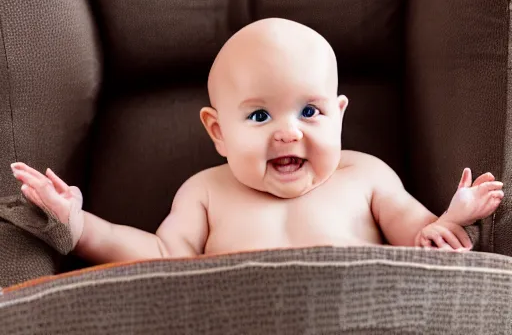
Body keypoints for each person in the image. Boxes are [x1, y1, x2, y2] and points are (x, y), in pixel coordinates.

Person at [10, 18, 504, 264]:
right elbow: (160, 258)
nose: (288, 131)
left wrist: (452, 222)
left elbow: (421, 244)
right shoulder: (205, 191)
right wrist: (78, 222)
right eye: (260, 115)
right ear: (218, 132)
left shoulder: (367, 178)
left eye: (310, 111)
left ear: (339, 115)